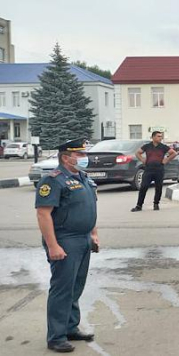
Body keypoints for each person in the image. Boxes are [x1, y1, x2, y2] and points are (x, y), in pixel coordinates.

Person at [35, 139, 99, 353]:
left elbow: (90, 208)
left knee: (76, 286)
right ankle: (56, 336)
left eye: (83, 154)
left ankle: (70, 327)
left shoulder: (83, 178)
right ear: (65, 157)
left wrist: (93, 234)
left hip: (83, 238)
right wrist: (53, 245)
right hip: (65, 239)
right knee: (62, 288)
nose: (84, 158)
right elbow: (43, 214)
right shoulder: (53, 180)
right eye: (79, 155)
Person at [131, 131, 177, 212]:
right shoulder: (147, 146)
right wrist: (142, 160)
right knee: (143, 187)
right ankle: (139, 206)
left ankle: (156, 204)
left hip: (159, 169)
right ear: (153, 137)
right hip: (148, 169)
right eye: (158, 136)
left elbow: (173, 153)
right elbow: (137, 153)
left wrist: (166, 160)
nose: (160, 138)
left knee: (158, 187)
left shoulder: (163, 147)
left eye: (161, 136)